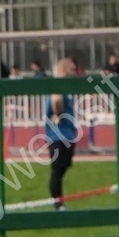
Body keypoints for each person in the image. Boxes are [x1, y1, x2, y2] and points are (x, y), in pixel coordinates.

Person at [46, 56, 80, 206]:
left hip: (66, 136)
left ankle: (59, 202)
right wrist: (59, 114)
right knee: (57, 171)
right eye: (72, 69)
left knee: (61, 168)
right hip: (59, 137)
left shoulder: (65, 86)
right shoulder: (58, 84)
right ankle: (58, 205)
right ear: (65, 70)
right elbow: (56, 100)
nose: (74, 73)